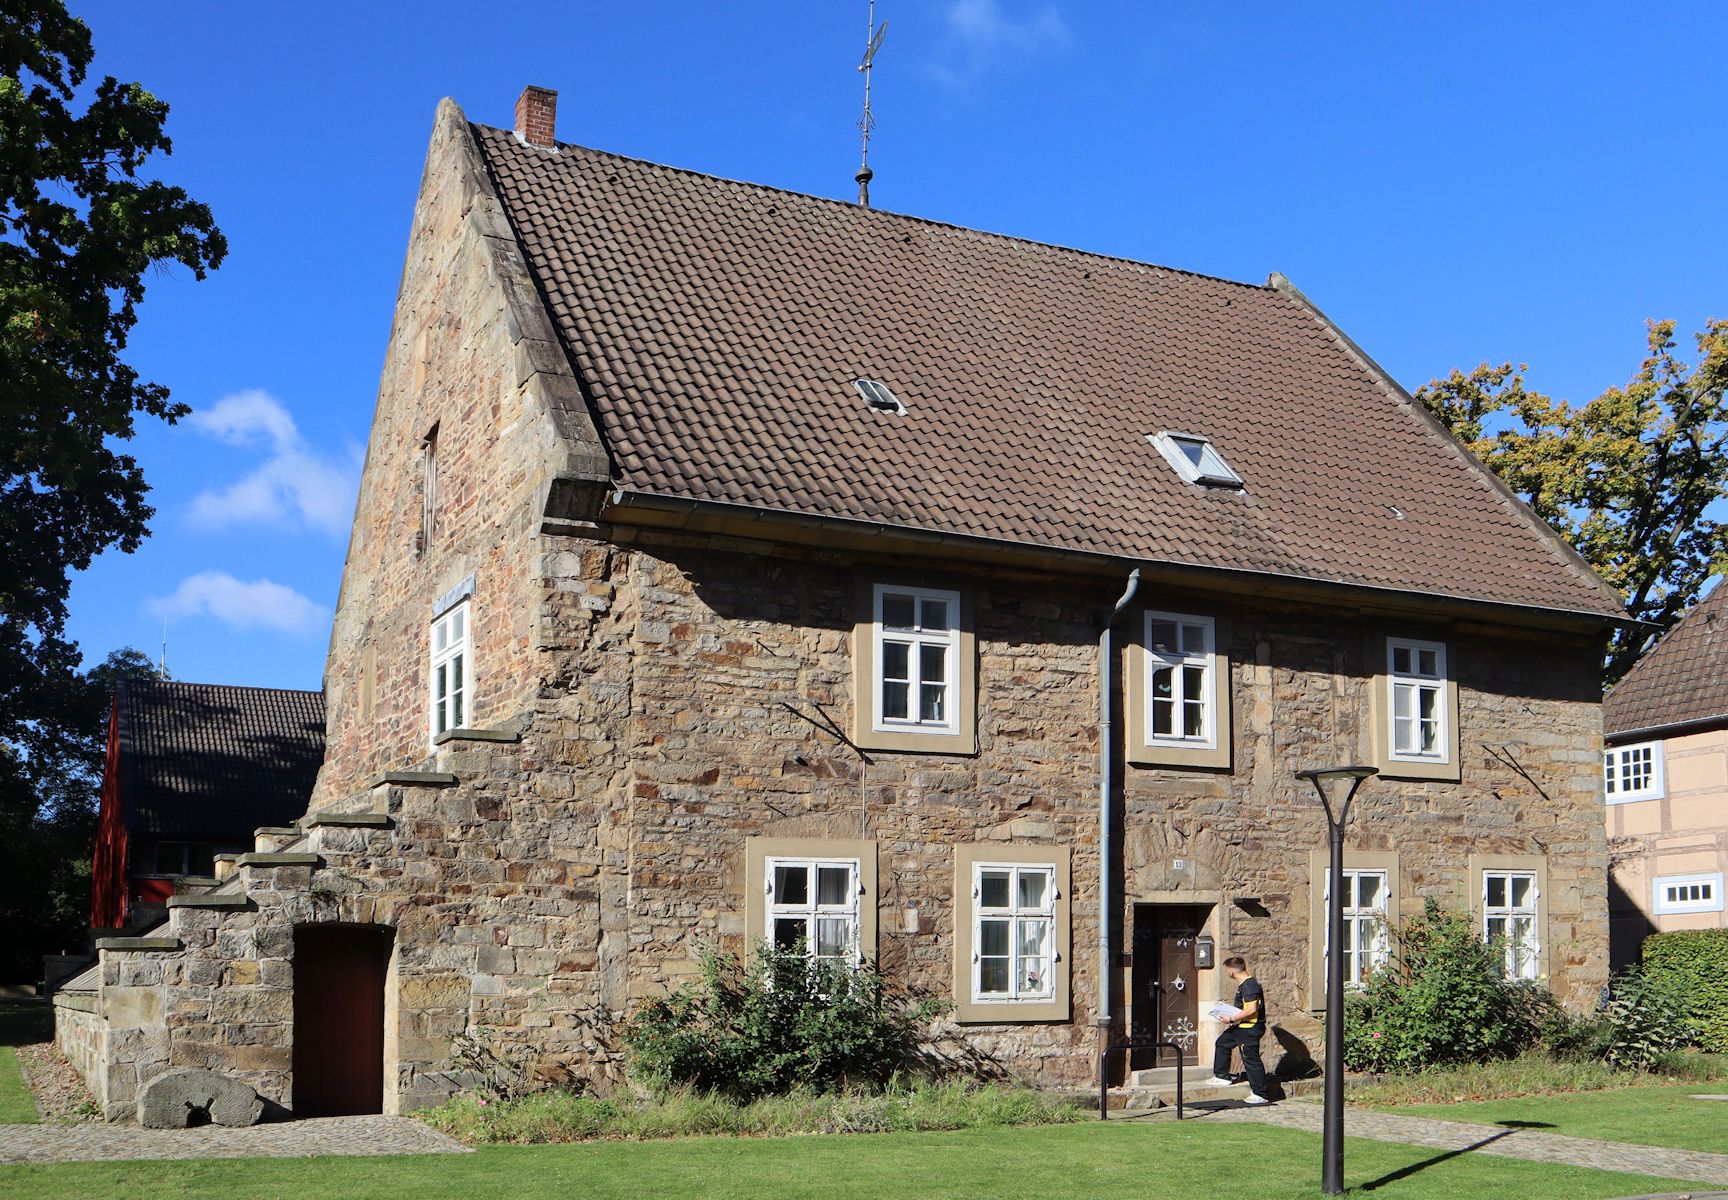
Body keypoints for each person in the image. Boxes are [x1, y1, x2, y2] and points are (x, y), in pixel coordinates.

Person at [1206, 954, 1271, 1105]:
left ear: (1231, 971)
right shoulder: (1244, 985)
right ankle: (1222, 1076)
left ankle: (1260, 1093)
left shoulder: (1249, 985)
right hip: (1241, 1026)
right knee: (1222, 1043)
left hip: (1249, 1028)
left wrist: (1231, 1018)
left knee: (1250, 1059)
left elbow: (1252, 1009)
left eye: (1227, 970)